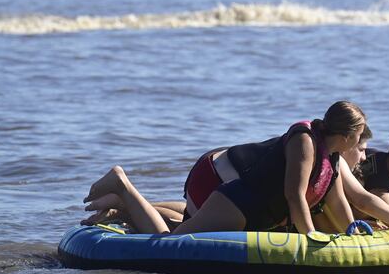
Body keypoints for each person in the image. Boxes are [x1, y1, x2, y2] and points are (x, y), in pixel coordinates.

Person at [82, 100, 366, 236]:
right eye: (361, 133)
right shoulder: (305, 142)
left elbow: (337, 201)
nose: (361, 141)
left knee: (186, 226)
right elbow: (294, 194)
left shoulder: (333, 158)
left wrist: (350, 231)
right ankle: (123, 185)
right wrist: (310, 236)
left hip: (253, 212)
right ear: (348, 134)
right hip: (239, 203)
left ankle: (126, 207)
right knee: (169, 240)